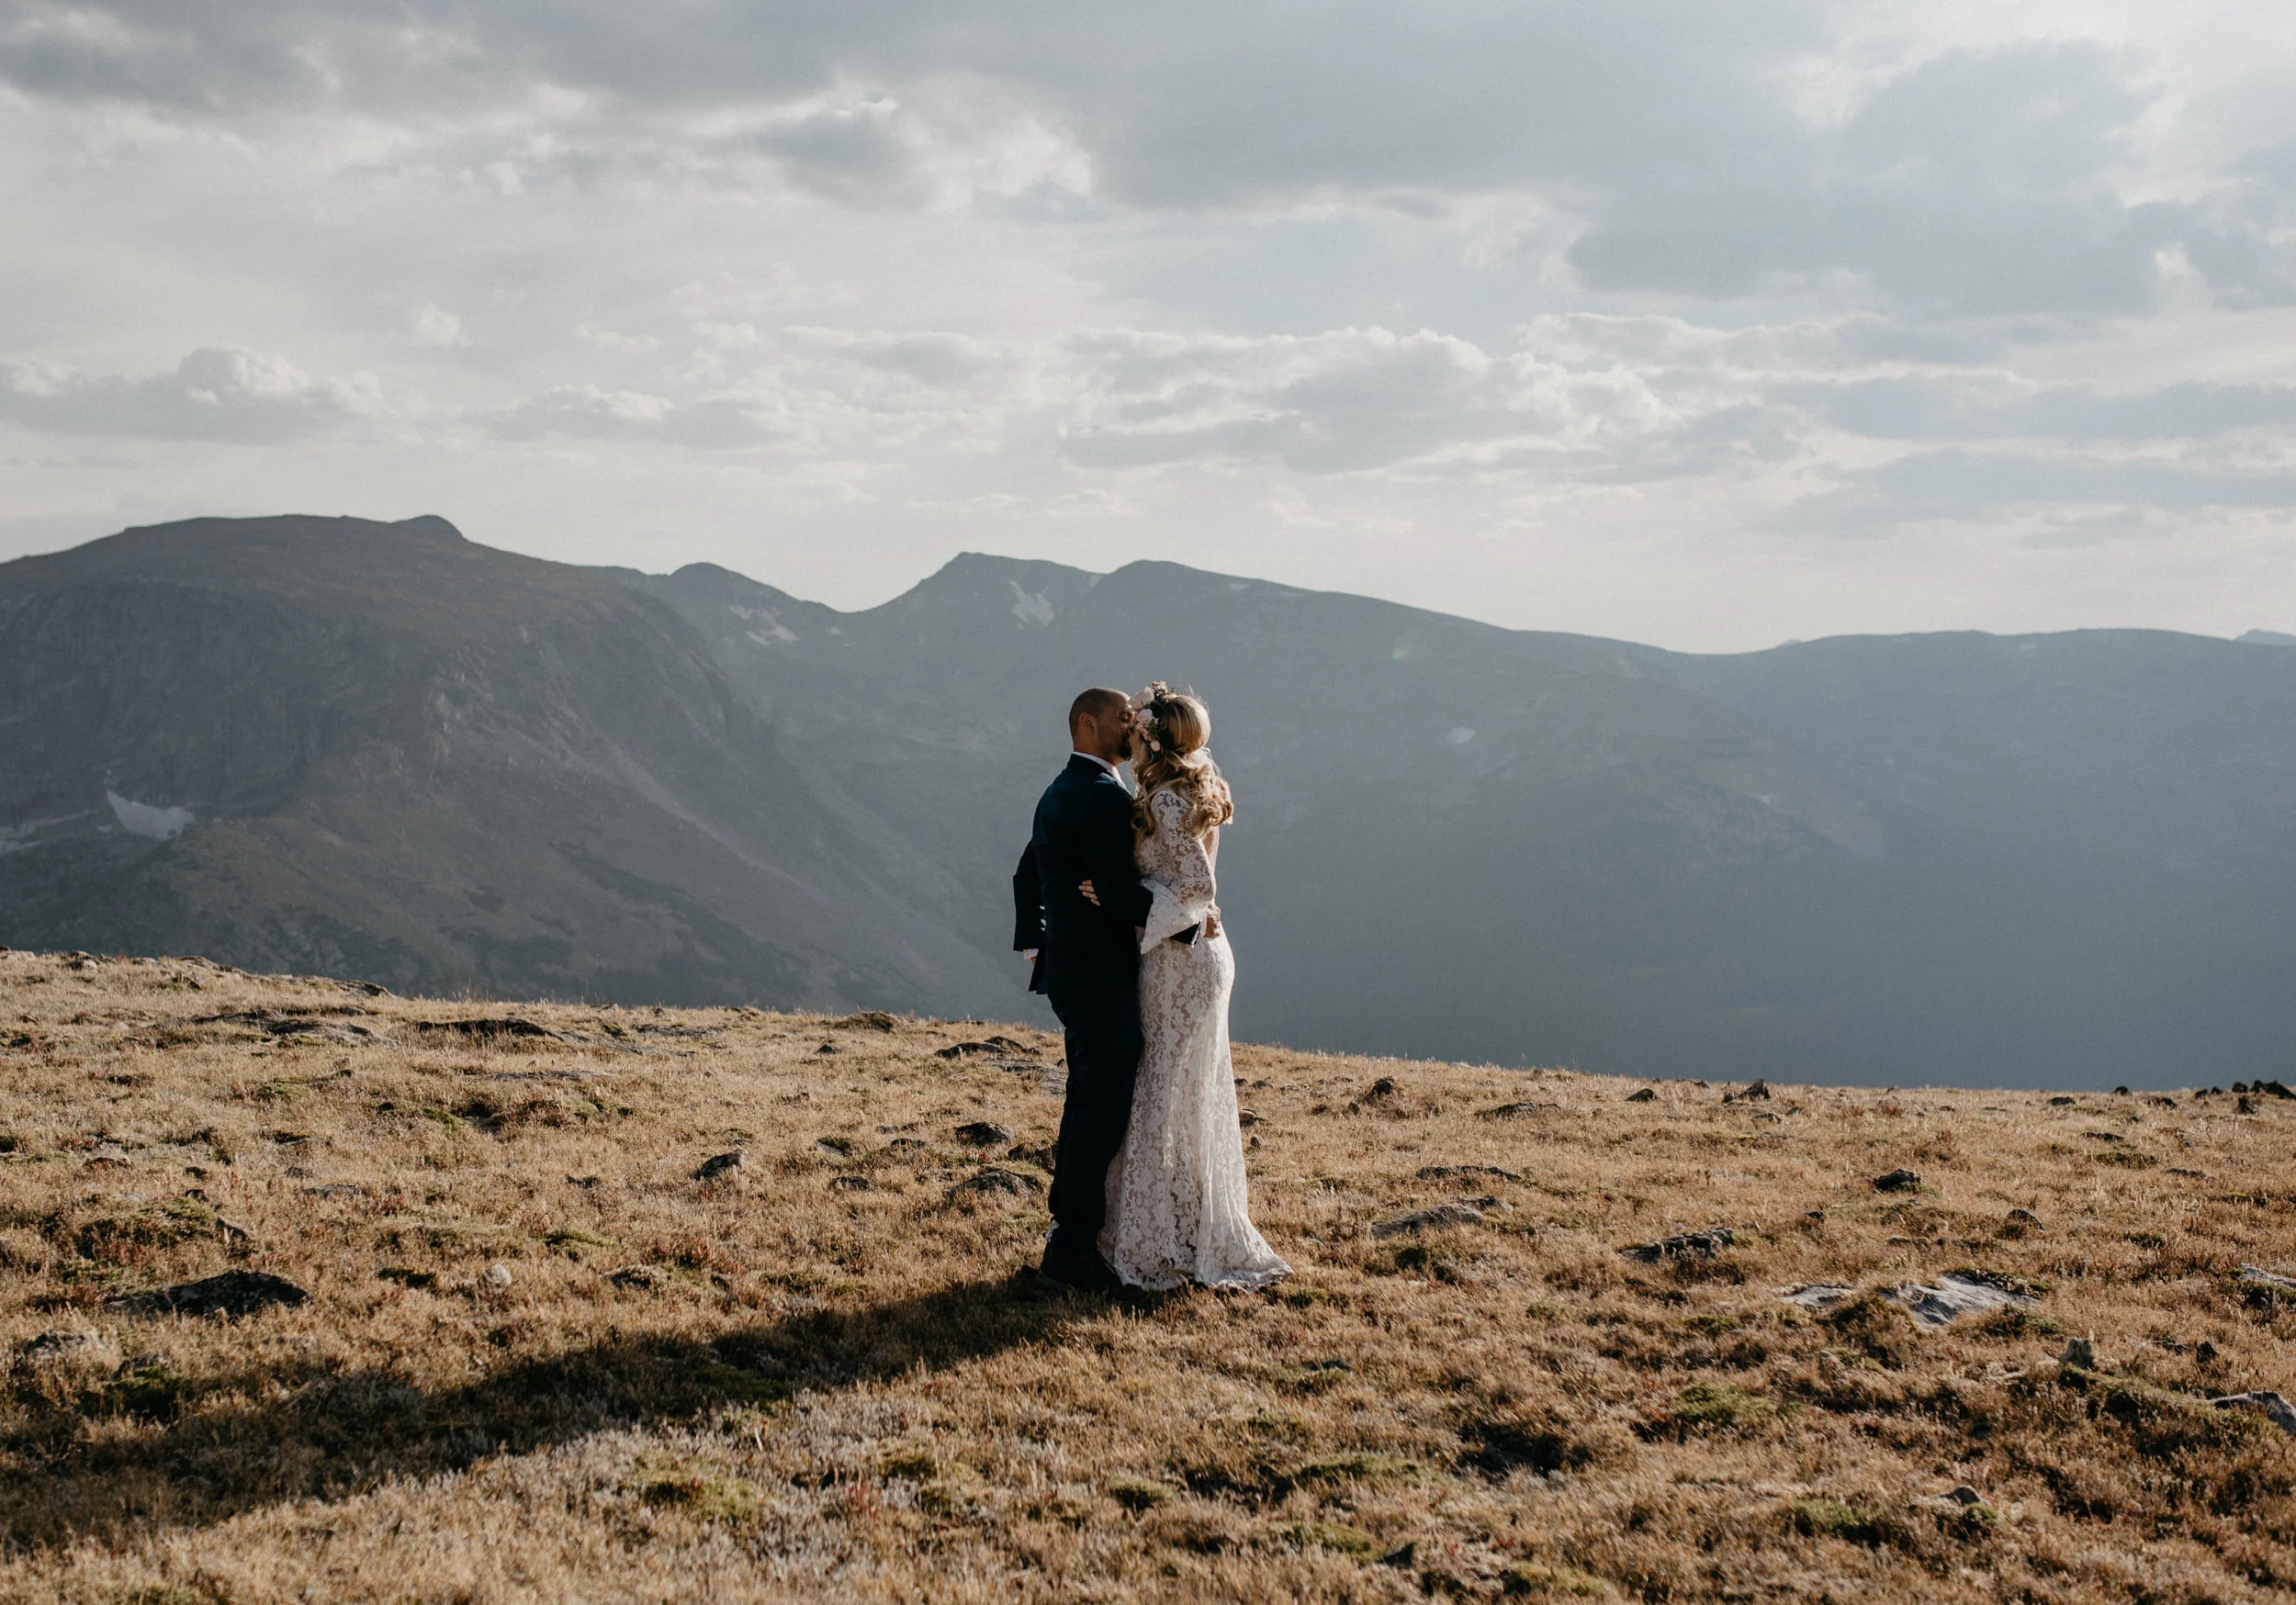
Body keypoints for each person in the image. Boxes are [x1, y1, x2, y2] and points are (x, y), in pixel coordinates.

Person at [1080, 683, 1289, 1291]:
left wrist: (1122, 901)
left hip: (1183, 962)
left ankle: (1152, 1240)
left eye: (1137, 730)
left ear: (1151, 738)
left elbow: (1199, 889)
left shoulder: (1169, 803)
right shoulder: (1181, 792)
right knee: (1178, 1093)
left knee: (1161, 1092)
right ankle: (1180, 1224)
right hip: (1194, 957)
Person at [1012, 687, 1176, 1292]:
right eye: (1120, 718)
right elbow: (1115, 890)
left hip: (1070, 969)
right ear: (1087, 724)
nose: (1130, 726)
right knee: (1100, 1103)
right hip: (1099, 971)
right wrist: (1190, 922)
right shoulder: (1104, 797)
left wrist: (1038, 941)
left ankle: (1068, 1234)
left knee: (1088, 1096)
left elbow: (1027, 871)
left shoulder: (1060, 788)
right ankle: (1072, 1248)